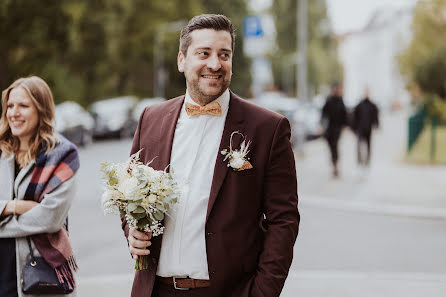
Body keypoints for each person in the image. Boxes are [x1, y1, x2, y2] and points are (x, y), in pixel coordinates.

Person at [123, 14, 300, 297]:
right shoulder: (150, 119)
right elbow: (129, 195)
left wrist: (263, 292)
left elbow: (284, 219)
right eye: (203, 53)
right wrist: (133, 233)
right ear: (182, 60)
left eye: (224, 54)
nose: (215, 64)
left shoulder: (268, 128)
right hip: (154, 290)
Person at [0, 76, 79, 297]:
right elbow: (39, 215)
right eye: (10, 105)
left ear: (41, 110)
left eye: (23, 106)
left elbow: (50, 218)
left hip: (41, 273)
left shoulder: (63, 154)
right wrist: (15, 206)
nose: (14, 112)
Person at [321, 82, 347, 177]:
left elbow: (344, 114)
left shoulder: (340, 100)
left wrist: (344, 125)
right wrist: (322, 125)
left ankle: (335, 165)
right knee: (331, 147)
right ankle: (334, 164)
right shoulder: (329, 100)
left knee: (335, 147)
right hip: (329, 129)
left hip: (337, 129)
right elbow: (323, 114)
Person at [353, 87, 379, 167]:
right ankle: (359, 159)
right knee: (359, 144)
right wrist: (354, 127)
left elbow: (375, 116)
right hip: (360, 128)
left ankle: (367, 160)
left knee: (368, 145)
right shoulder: (359, 105)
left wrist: (376, 125)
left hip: (368, 128)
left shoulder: (372, 105)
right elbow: (355, 116)